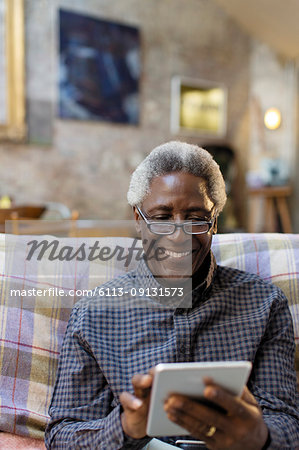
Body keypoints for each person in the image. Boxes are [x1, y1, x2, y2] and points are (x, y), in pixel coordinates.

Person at [45, 141, 299, 449]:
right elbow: (62, 436)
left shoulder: (264, 304)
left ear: (215, 221)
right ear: (139, 221)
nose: (179, 235)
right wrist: (126, 427)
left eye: (196, 217)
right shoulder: (94, 314)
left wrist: (259, 437)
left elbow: (287, 423)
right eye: (162, 217)